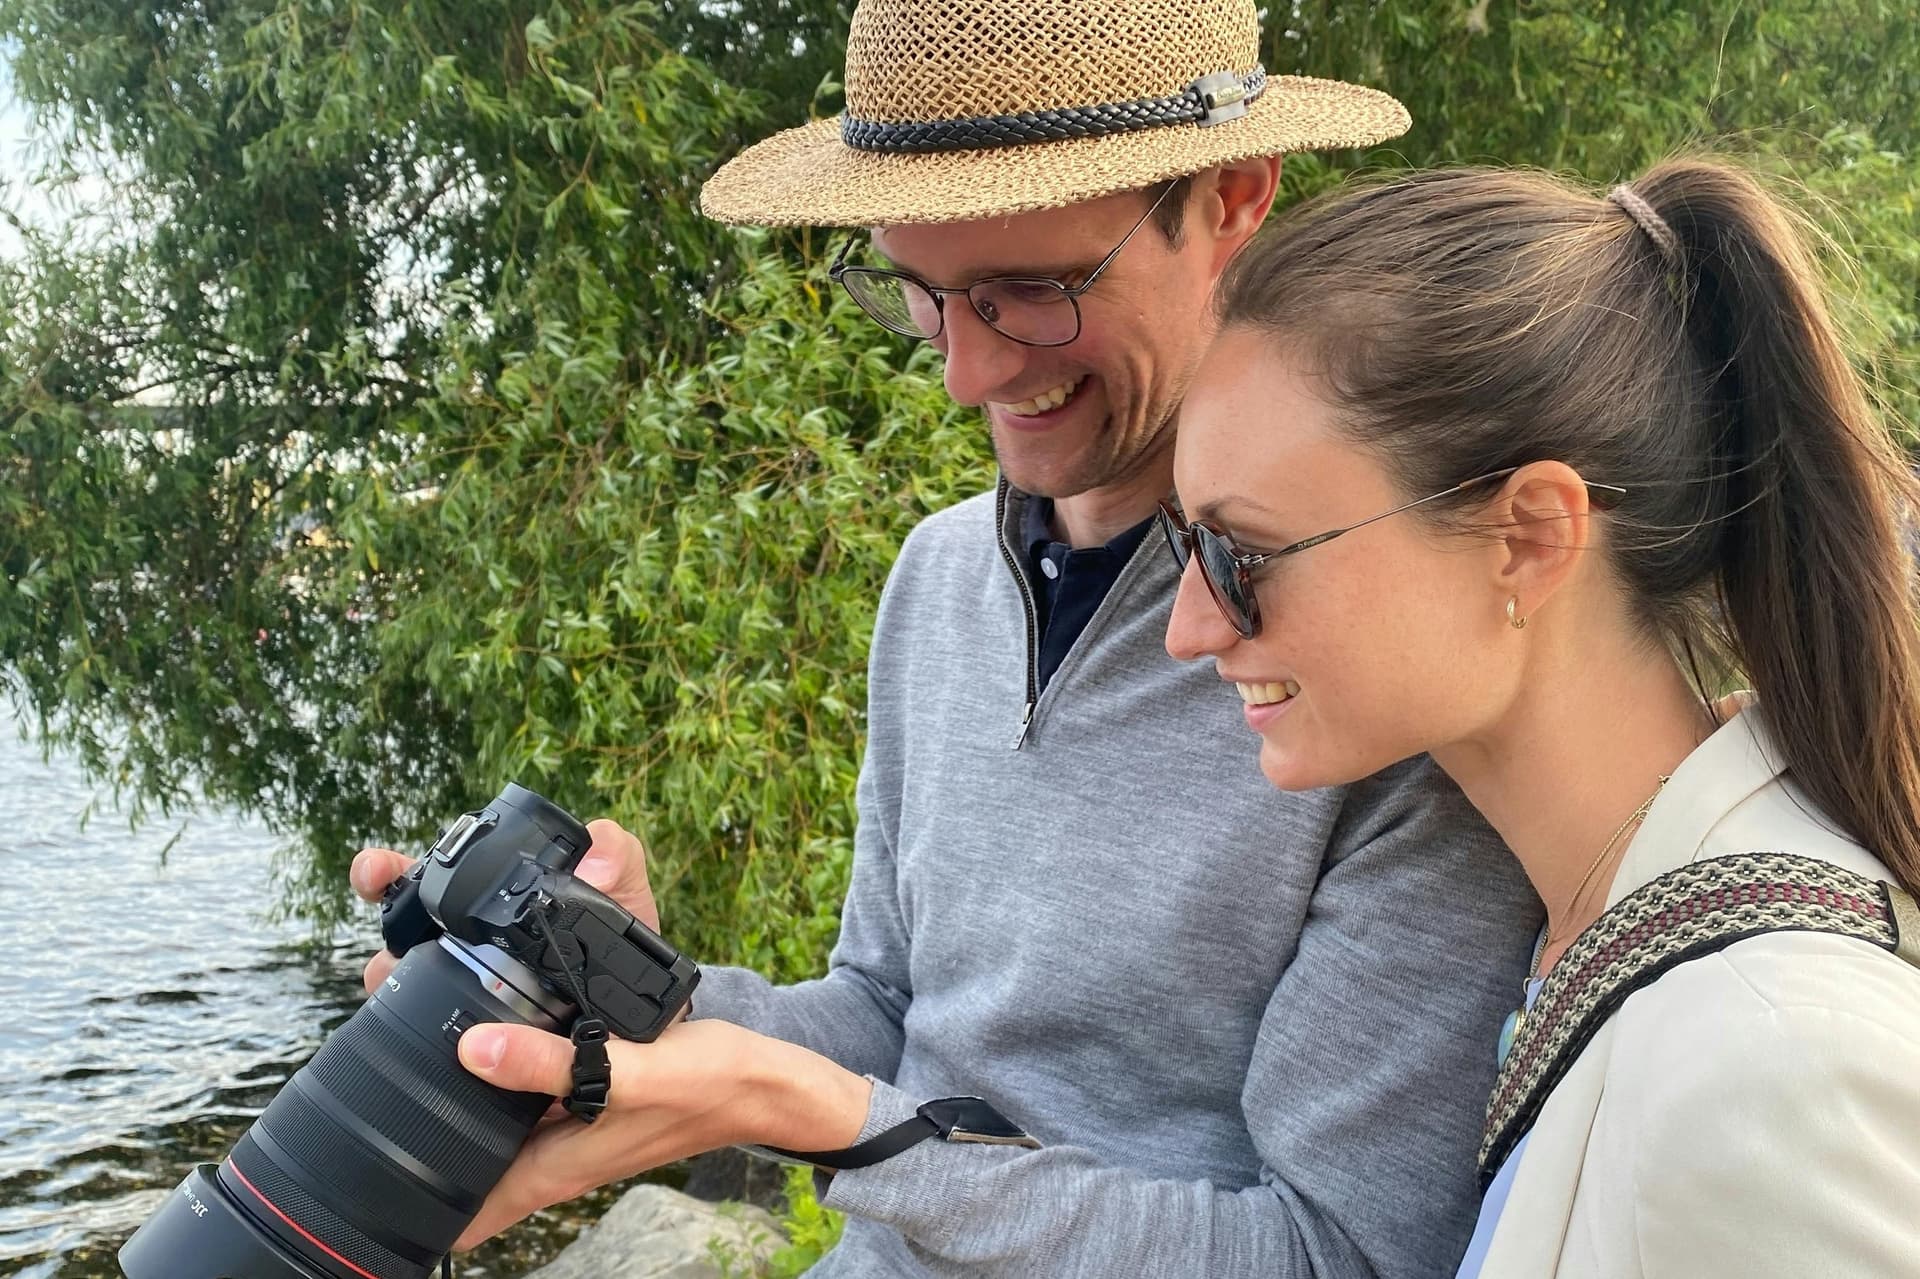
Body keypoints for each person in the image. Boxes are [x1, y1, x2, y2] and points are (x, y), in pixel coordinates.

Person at [353, 0, 1542, 1273]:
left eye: (1034, 290)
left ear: (1234, 196)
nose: (966, 375)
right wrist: (638, 999)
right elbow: (886, 1010)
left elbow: (1342, 1255)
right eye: (919, 292)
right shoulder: (937, 577)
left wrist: (854, 1134)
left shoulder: (1378, 661)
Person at [1159, 156, 1920, 1278]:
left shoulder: (1767, 1060)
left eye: (1243, 553)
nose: (1187, 629)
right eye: (1186, 543)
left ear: (1527, 537)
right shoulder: (1597, 925)